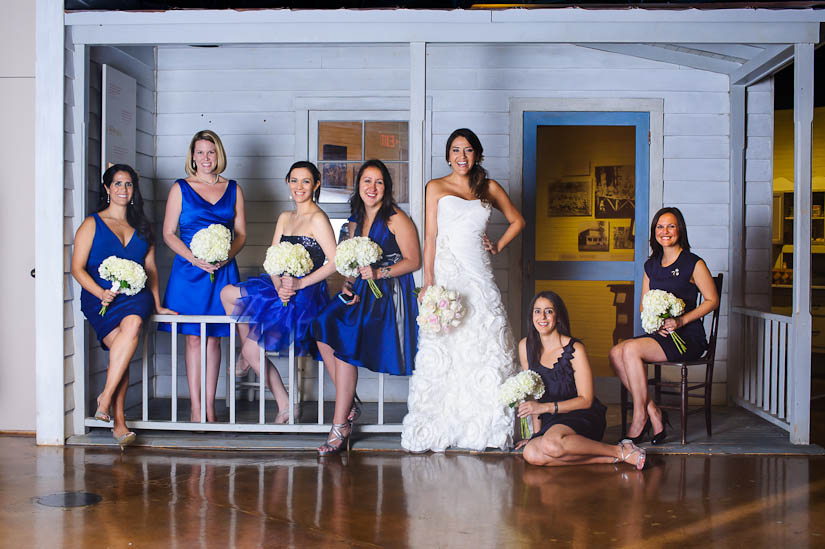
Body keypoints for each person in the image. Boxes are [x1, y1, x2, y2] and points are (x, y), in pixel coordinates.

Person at [401, 128, 525, 453]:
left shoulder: (489, 187)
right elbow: (430, 237)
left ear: (477, 154)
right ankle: (445, 424)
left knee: (485, 341)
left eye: (468, 150)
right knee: (448, 346)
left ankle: (484, 427)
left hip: (478, 274)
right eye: (456, 150)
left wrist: (496, 246)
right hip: (447, 275)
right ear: (448, 155)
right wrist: (428, 280)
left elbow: (517, 221)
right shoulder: (436, 187)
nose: (461, 156)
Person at [312, 159, 421, 455]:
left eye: (379, 182)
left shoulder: (396, 217)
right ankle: (351, 403)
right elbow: (349, 262)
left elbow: (413, 261)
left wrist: (379, 273)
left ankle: (340, 426)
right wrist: (348, 281)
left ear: (386, 187)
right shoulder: (354, 220)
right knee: (322, 325)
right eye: (367, 181)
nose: (372, 188)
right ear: (358, 185)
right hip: (361, 288)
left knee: (346, 336)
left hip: (389, 291)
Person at [71, 164, 177, 449]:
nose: (123, 189)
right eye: (117, 184)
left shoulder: (143, 228)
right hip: (99, 299)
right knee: (123, 348)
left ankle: (105, 400)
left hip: (135, 297)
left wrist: (158, 304)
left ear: (134, 190)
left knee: (132, 326)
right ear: (107, 189)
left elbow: (151, 269)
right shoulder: (91, 224)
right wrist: (100, 292)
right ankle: (117, 419)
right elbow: (77, 268)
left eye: (128, 184)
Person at [220, 161, 336, 424]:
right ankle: (247, 357)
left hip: (305, 294)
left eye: (306, 181)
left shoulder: (318, 219)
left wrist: (298, 285)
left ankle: (283, 402)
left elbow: (335, 262)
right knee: (227, 293)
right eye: (294, 180)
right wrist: (278, 285)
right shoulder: (285, 217)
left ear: (316, 184)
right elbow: (271, 259)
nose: (299, 187)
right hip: (278, 286)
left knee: (252, 353)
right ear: (287, 182)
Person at [609, 207, 719, 444]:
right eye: (660, 226)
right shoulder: (652, 265)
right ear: (654, 232)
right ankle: (654, 412)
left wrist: (681, 320)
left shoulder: (693, 263)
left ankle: (640, 417)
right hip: (661, 334)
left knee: (629, 349)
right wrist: (655, 321)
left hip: (688, 336)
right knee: (616, 353)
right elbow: (643, 305)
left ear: (680, 229)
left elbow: (712, 300)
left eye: (671, 226)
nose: (665, 231)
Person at [159, 130, 246, 423]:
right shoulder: (180, 188)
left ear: (218, 154)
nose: (205, 158)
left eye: (210, 152)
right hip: (188, 271)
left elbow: (242, 233)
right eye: (200, 152)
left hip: (222, 270)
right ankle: (196, 408)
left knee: (214, 339)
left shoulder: (233, 188)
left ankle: (210, 405)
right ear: (192, 156)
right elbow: (168, 233)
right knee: (194, 339)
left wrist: (226, 256)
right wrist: (193, 258)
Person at [517, 292, 645, 469]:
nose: (542, 317)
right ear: (531, 316)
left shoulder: (575, 349)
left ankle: (617, 450)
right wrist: (536, 434)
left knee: (549, 445)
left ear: (558, 316)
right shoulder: (525, 346)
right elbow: (533, 394)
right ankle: (615, 457)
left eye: (549, 311)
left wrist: (544, 408)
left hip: (581, 415)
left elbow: (586, 400)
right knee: (531, 453)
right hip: (551, 419)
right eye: (537, 311)